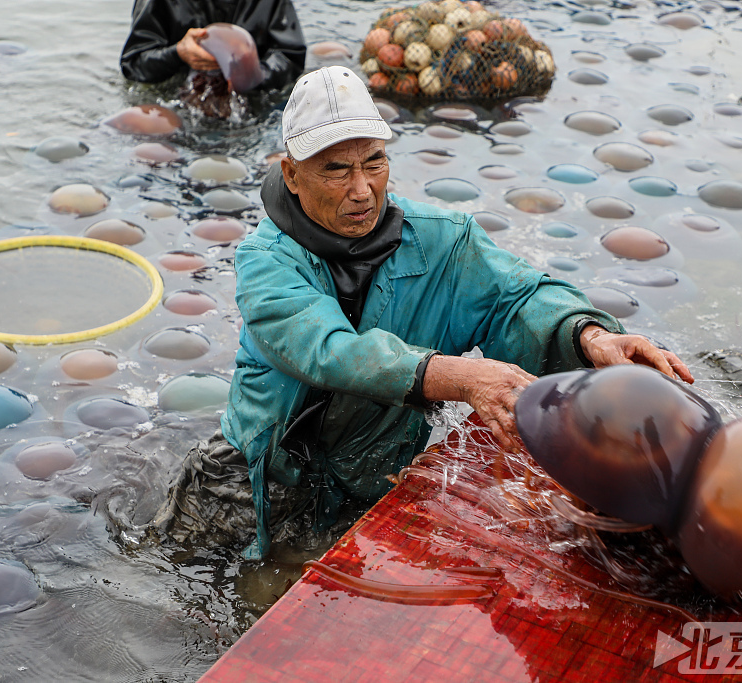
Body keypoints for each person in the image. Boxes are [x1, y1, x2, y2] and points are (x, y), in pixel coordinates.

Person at [155, 66, 694, 561]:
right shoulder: (265, 261)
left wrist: (589, 336)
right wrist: (462, 377)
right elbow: (328, 351)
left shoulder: (443, 242)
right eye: (336, 170)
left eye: (374, 163)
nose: (362, 190)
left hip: (367, 489)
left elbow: (517, 298)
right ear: (292, 175)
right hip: (254, 486)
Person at [119, 0, 305, 90]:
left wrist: (250, 74)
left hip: (251, 103)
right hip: (179, 98)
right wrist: (178, 53)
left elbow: (291, 56)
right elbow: (133, 64)